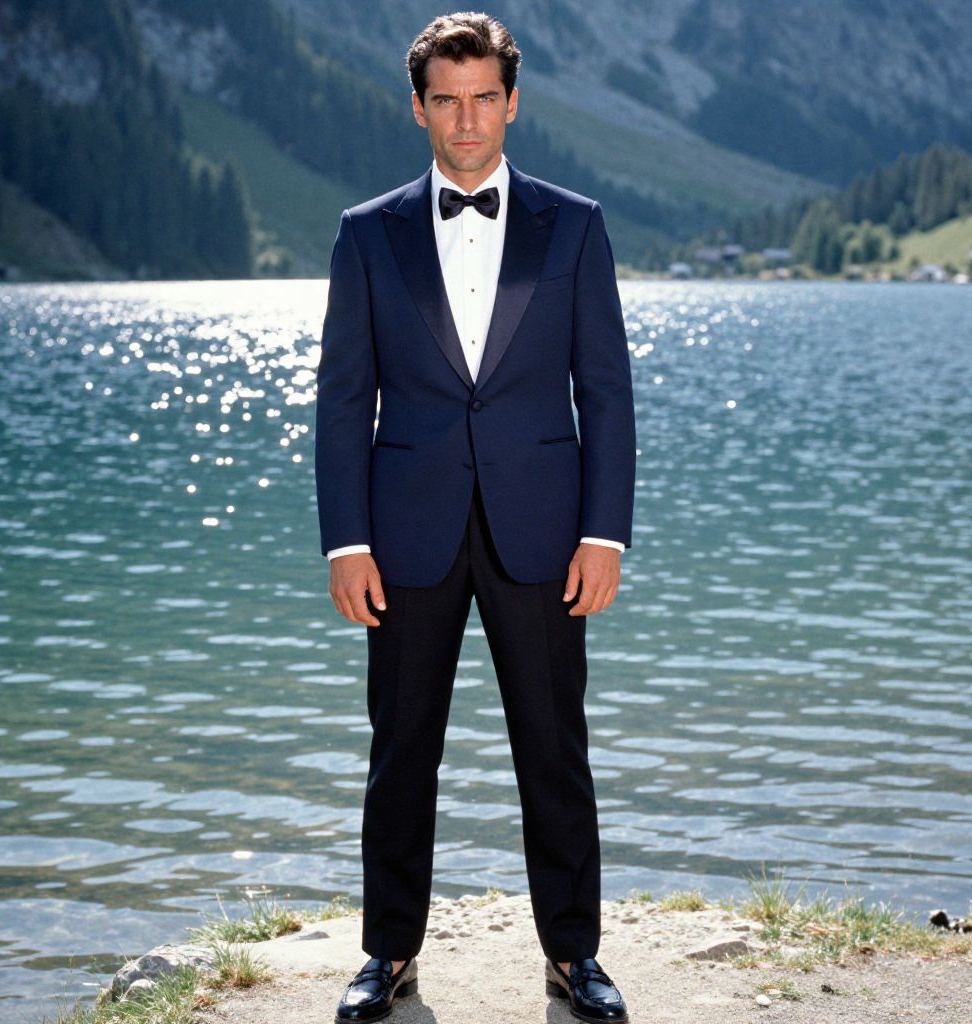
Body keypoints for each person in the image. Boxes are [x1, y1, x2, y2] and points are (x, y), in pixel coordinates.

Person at [314, 11, 636, 1023]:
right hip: (403, 535)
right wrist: (346, 539)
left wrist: (604, 531)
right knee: (401, 748)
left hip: (545, 530)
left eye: (482, 98)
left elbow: (608, 392)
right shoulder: (367, 234)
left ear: (510, 102)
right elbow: (340, 399)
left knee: (555, 746)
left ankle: (573, 956)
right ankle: (389, 955)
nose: (465, 120)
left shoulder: (573, 223)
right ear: (418, 108)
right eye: (445, 101)